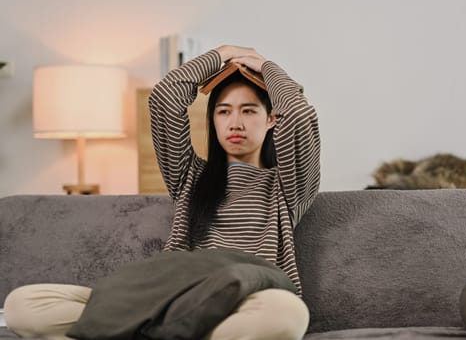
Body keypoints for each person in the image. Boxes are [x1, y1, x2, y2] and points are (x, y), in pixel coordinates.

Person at [3, 45, 321, 340]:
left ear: (271, 120)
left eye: (248, 111)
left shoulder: (288, 185)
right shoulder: (189, 176)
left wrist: (265, 66)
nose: (234, 123)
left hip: (245, 299)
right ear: (212, 119)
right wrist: (223, 54)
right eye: (223, 111)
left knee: (287, 313)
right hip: (174, 295)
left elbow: (300, 116)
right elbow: (165, 98)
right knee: (23, 304)